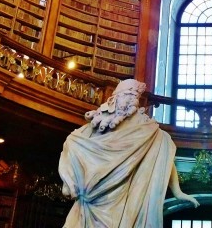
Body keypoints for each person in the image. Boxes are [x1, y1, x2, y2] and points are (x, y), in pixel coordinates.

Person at [59, 79, 198, 228]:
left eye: (133, 96)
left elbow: (165, 158)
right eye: (125, 95)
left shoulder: (150, 131)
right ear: (113, 99)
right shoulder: (96, 126)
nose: (129, 99)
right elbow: (73, 142)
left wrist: (177, 191)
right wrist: (69, 179)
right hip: (89, 202)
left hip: (125, 201)